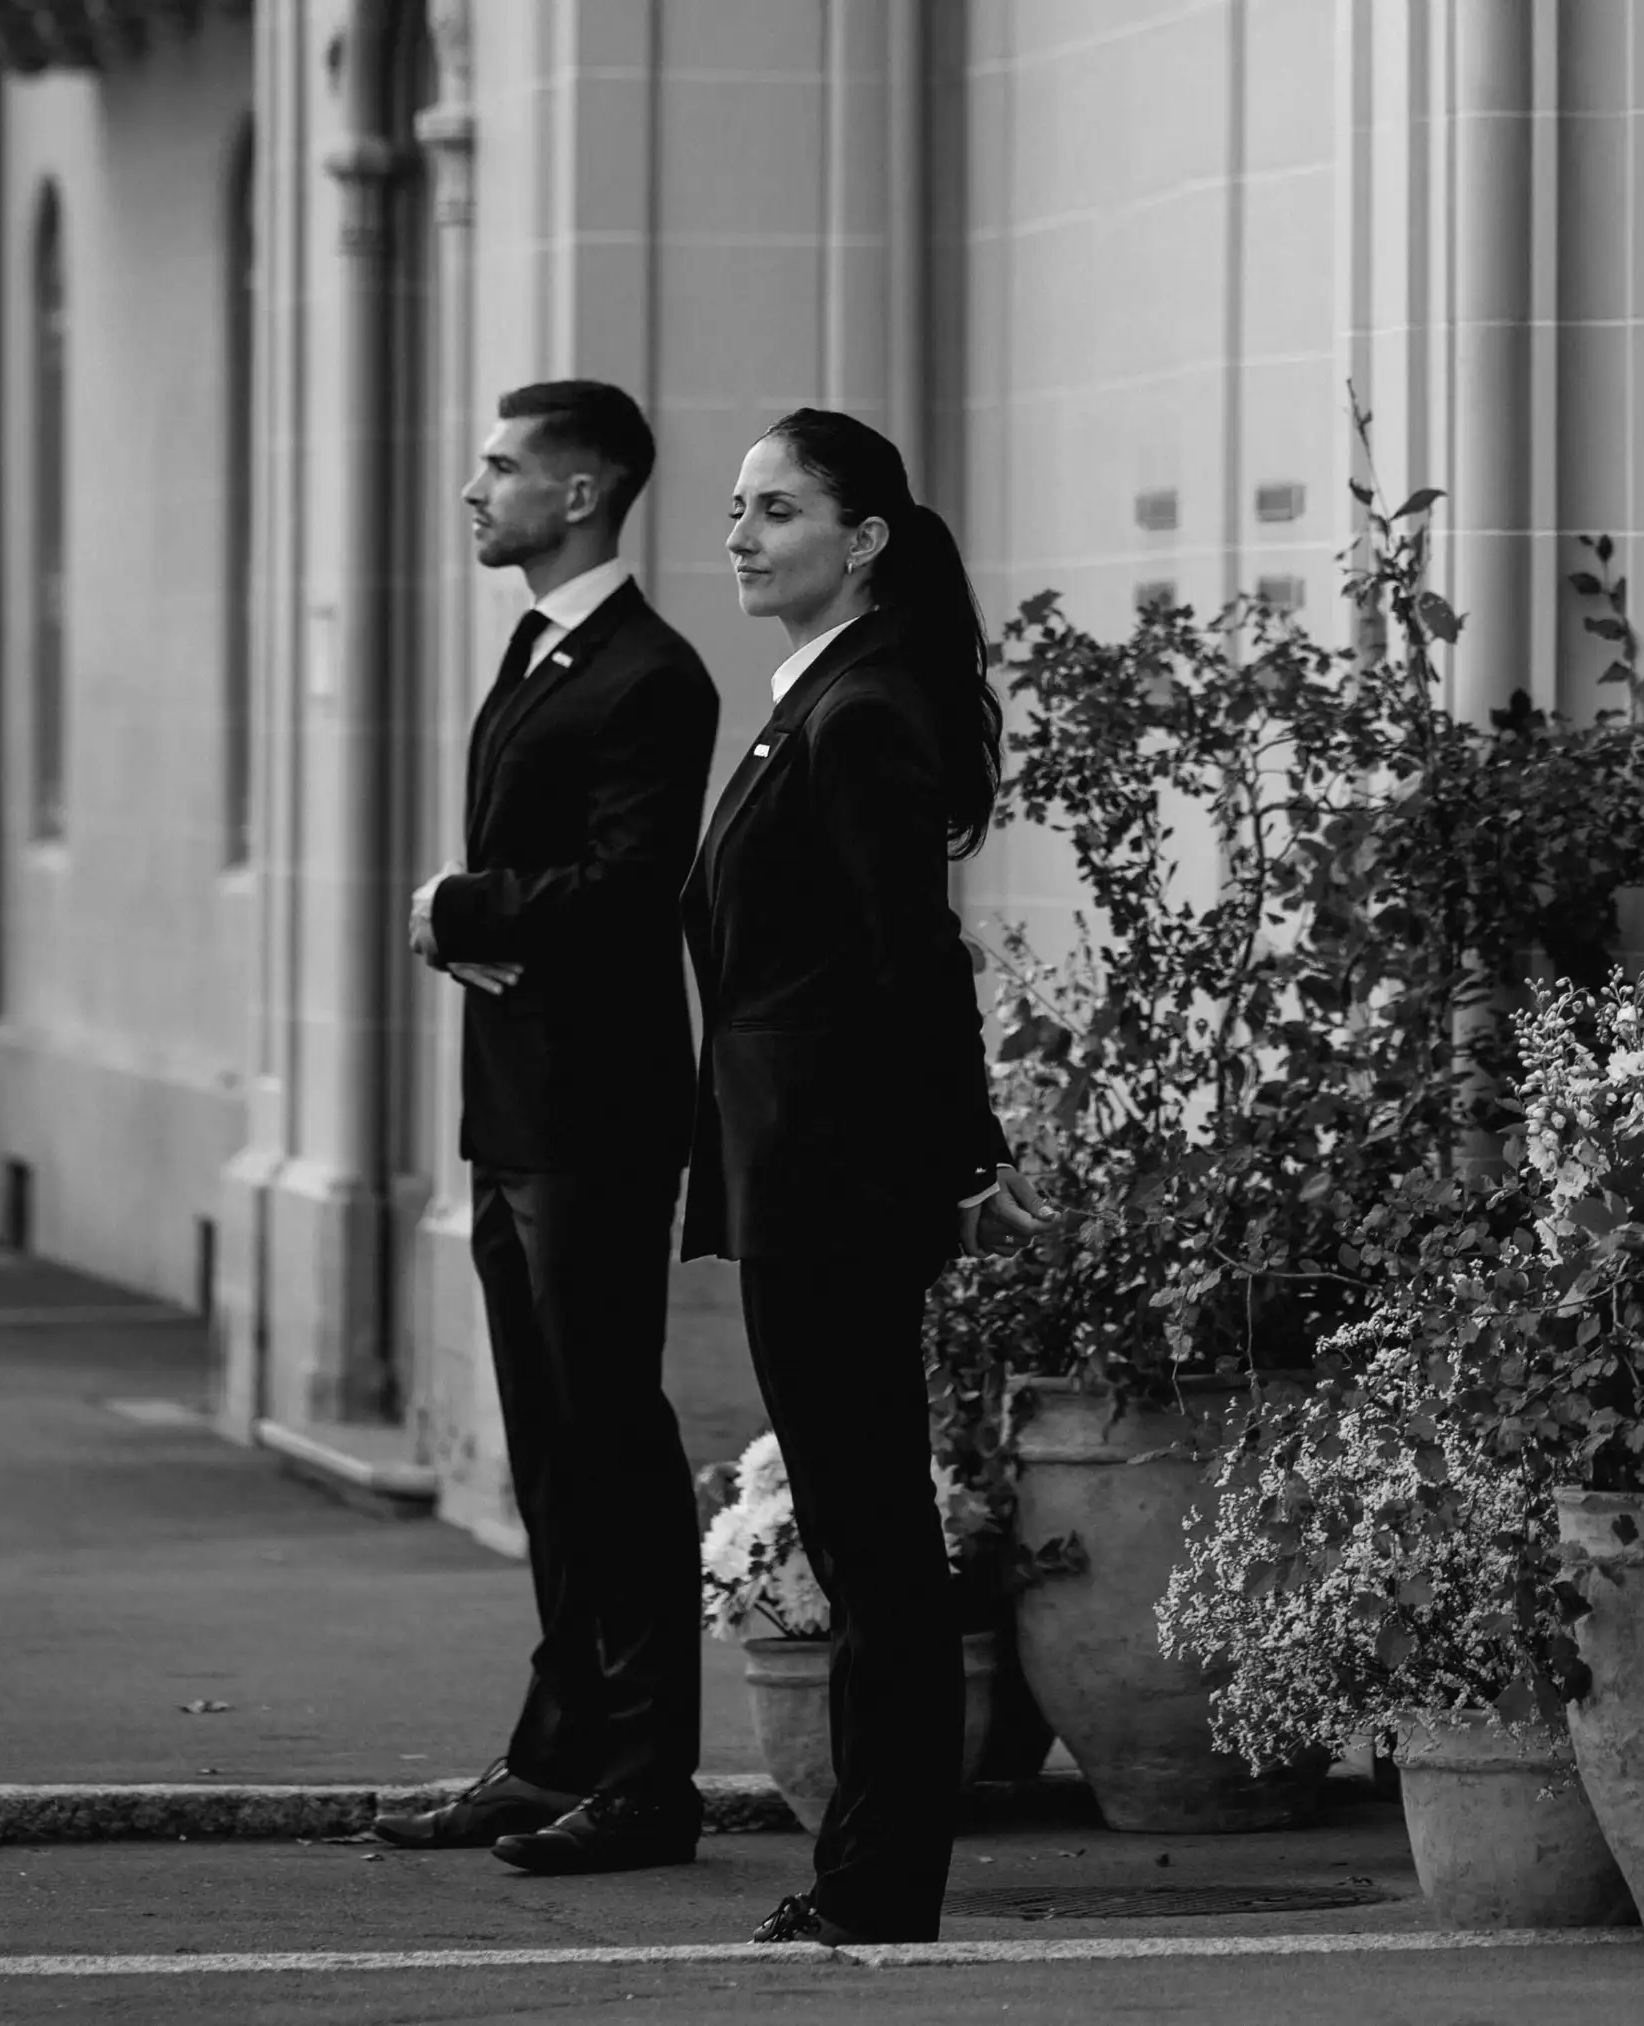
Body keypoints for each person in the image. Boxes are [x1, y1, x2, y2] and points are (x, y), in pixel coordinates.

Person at [687, 409, 1054, 1946]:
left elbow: (912, 958)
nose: (740, 534)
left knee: (872, 1540)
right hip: (799, 1164)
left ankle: (879, 1880)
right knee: (858, 1531)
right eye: (736, 507)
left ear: (865, 539)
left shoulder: (861, 711)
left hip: (834, 1174)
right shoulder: (818, 699)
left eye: (777, 508)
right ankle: (867, 1874)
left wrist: (961, 1153)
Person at [374, 380, 721, 1875]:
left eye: (502, 466)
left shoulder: (652, 672)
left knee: (610, 1439)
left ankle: (647, 1781)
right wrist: (477, 929)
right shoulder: (540, 646)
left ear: (580, 494)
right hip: (514, 1109)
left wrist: (459, 910)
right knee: (548, 1449)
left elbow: (630, 891)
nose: (476, 488)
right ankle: (555, 1753)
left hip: (596, 1116)